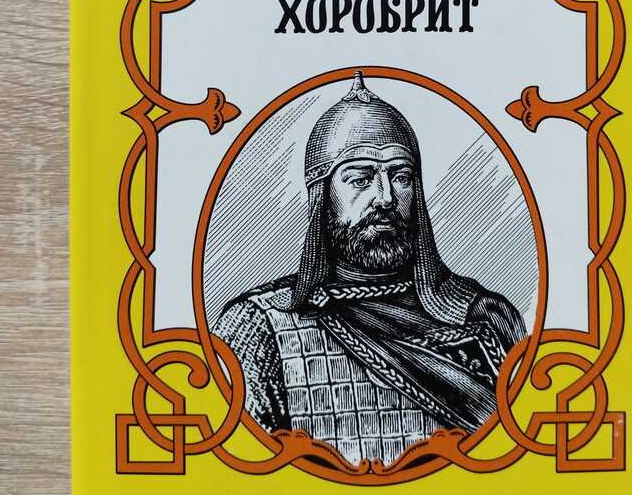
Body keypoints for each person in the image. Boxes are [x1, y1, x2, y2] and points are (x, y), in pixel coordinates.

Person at [213, 71, 527, 467]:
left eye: (401, 177)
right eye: (361, 179)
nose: (385, 198)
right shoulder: (261, 325)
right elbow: (243, 469)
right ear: (322, 197)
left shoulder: (487, 318)